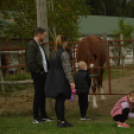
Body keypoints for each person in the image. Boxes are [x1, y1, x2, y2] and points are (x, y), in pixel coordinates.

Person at [44, 35, 75, 128]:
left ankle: (60, 120)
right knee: (61, 99)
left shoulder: (52, 53)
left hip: (53, 77)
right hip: (61, 78)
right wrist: (71, 81)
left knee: (58, 100)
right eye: (67, 42)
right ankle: (62, 122)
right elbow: (67, 69)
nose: (67, 44)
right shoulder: (64, 53)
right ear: (64, 42)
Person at [25, 27, 54, 123]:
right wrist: (38, 71)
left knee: (42, 95)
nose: (45, 37)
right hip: (38, 74)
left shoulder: (38, 45)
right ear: (39, 35)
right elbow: (30, 61)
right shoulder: (31, 46)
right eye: (44, 35)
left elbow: (42, 59)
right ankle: (36, 117)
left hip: (44, 73)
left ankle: (44, 115)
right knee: (38, 95)